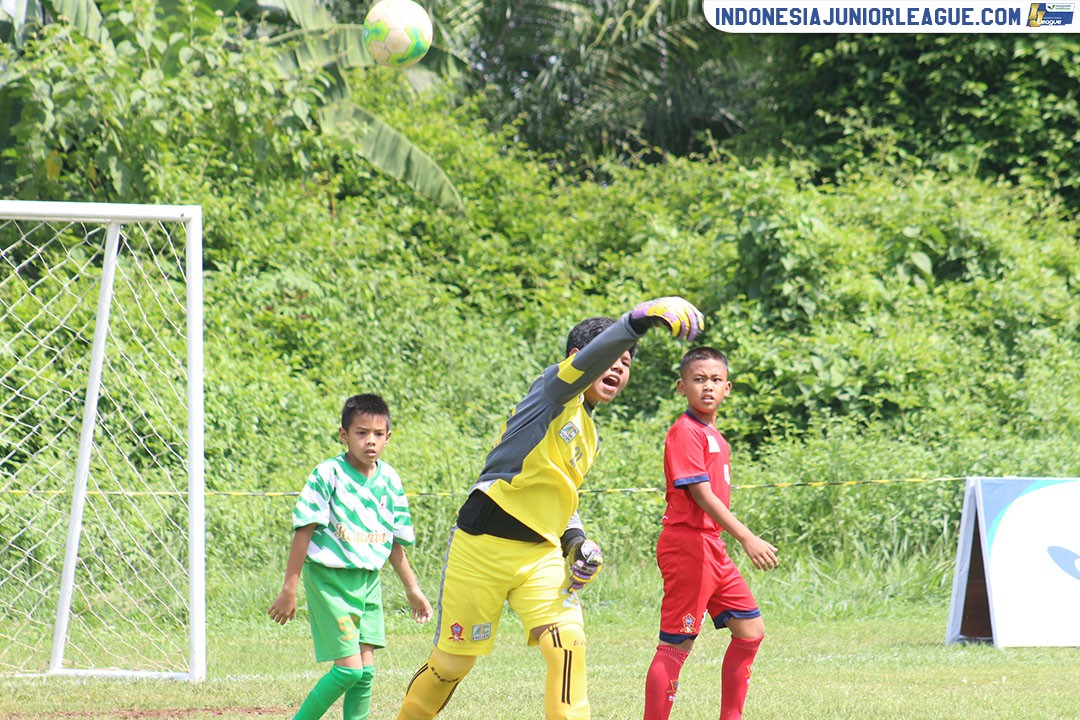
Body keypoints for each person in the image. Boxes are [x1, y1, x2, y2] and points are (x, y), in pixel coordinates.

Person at [396, 297, 705, 720]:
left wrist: (576, 544)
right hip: (481, 546)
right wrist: (637, 320)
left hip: (540, 555)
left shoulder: (590, 436)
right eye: (612, 357)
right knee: (451, 665)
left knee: (567, 644)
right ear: (579, 360)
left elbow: (562, 503)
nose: (619, 367)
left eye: (627, 362)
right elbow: (581, 370)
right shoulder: (553, 393)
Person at [269, 393, 433, 720]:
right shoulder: (327, 474)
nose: (369, 441)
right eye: (361, 433)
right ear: (344, 435)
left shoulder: (390, 481)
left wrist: (412, 589)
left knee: (365, 674)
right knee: (348, 672)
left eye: (377, 434)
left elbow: (392, 543)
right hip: (331, 581)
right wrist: (290, 588)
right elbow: (304, 530)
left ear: (388, 437)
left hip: (369, 583)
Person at [643, 347, 779, 720]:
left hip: (711, 547)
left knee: (750, 630)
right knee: (677, 643)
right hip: (688, 545)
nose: (707, 387)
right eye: (698, 379)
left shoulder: (714, 435)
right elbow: (700, 494)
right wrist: (748, 537)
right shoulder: (684, 432)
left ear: (728, 388)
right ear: (681, 387)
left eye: (715, 380)